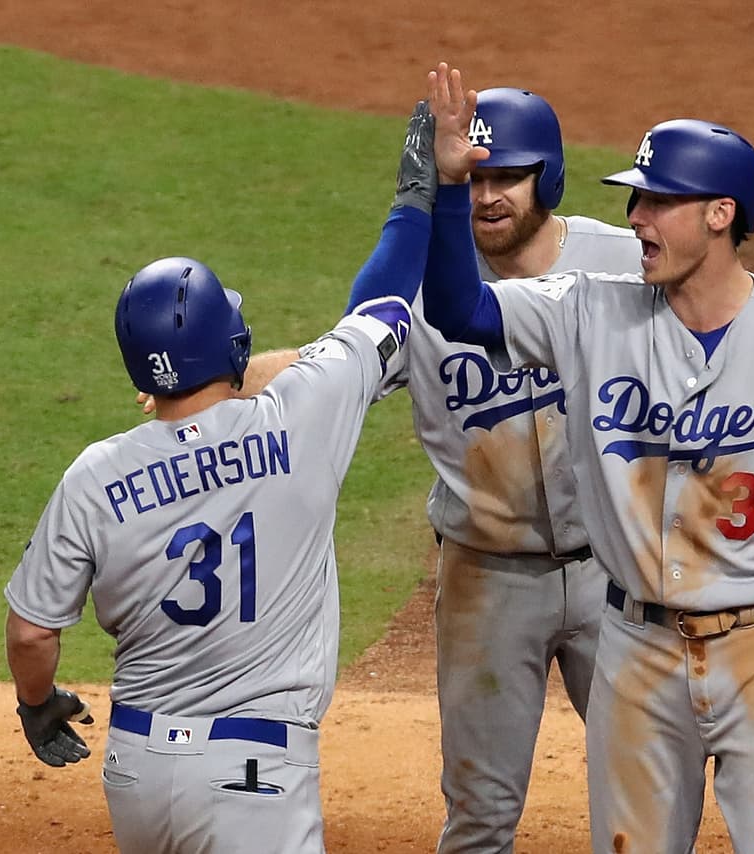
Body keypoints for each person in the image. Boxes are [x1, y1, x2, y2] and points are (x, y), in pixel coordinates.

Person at [419, 63, 754, 854]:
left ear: (719, 215)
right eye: (637, 198)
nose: (636, 217)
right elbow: (461, 309)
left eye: (659, 201)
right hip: (635, 648)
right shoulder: (589, 311)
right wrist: (443, 188)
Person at [153, 85, 641, 852]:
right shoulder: (419, 290)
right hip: (488, 582)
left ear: (547, 177)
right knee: (480, 814)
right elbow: (325, 368)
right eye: (473, 178)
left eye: (505, 177)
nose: (488, 196)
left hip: (613, 574)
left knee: (645, 792)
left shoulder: (620, 265)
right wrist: (205, 381)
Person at [3, 101, 437, 854]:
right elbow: (382, 304)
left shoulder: (94, 474)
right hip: (256, 772)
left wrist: (37, 706)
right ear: (230, 343)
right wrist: (418, 193)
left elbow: (33, 631)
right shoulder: (299, 417)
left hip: (137, 770)